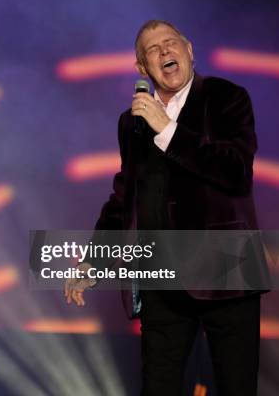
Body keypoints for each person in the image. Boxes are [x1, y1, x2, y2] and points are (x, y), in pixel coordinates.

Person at [64, 20, 268, 395]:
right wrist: (95, 259)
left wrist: (167, 129)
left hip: (227, 272)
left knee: (236, 387)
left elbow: (235, 171)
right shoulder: (132, 123)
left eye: (170, 43)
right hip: (161, 278)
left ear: (189, 50)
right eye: (152, 50)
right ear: (143, 68)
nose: (164, 52)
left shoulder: (226, 98)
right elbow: (125, 197)